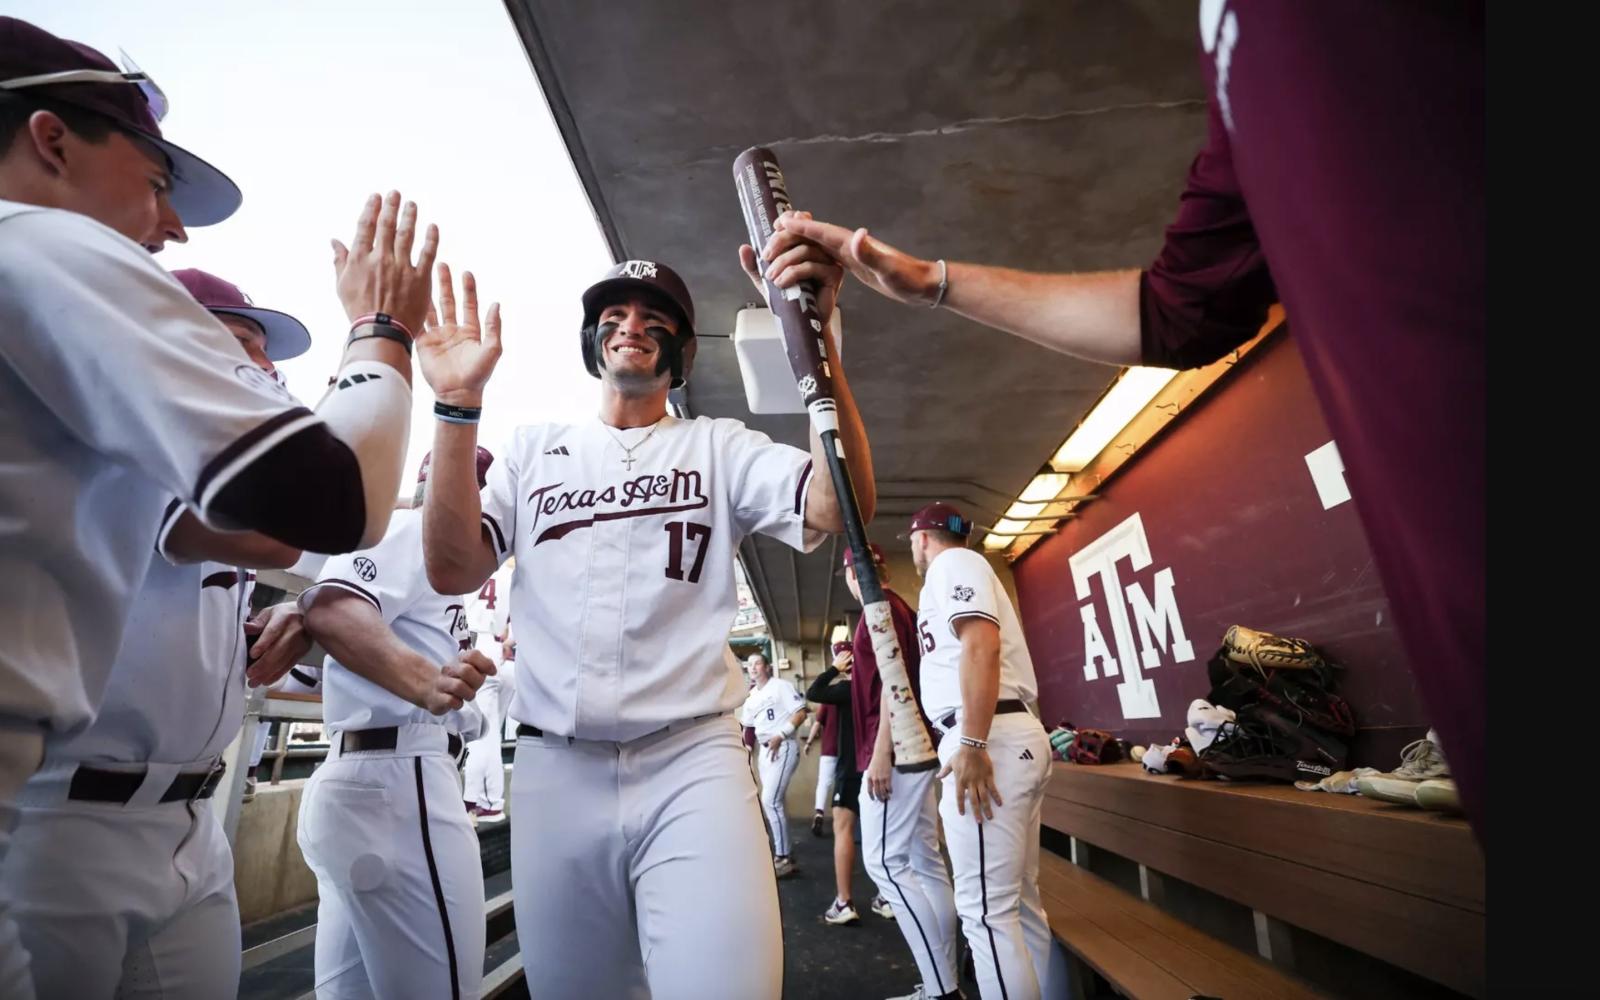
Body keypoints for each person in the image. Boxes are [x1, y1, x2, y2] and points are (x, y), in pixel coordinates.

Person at [760, 3, 1485, 835]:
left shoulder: (955, 573)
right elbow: (1182, 307)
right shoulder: (1232, 40)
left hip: (991, 739)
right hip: (1455, 584)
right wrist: (926, 282)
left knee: (991, 915)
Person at [0, 22, 452, 988]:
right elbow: (331, 501)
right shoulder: (36, 239)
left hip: (171, 820)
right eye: (157, 180)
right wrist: (381, 330)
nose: (171, 227)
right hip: (54, 820)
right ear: (50, 141)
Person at [417, 245, 874, 998]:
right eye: (615, 315)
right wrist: (457, 406)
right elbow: (451, 568)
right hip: (556, 768)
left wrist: (823, 360)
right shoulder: (534, 450)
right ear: (593, 340)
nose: (631, 325)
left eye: (654, 318)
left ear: (682, 352)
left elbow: (834, 505)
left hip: (690, 759)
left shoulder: (718, 445)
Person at [0, 268, 319, 997]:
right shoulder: (124, 437)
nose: (266, 369)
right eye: (242, 344)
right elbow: (284, 534)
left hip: (191, 822)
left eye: (266, 353)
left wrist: (294, 611)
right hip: (71, 821)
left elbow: (307, 557)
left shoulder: (215, 461)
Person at [295, 449, 499, 999]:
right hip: (400, 780)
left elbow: (308, 669)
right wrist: (425, 682)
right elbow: (332, 608)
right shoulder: (415, 531)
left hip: (361, 776)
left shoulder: (434, 570)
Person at [906, 503, 1060, 999]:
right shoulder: (956, 569)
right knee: (1019, 906)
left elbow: (981, 645)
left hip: (988, 737)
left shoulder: (953, 562)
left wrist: (971, 741)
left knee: (986, 913)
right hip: (1005, 733)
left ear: (923, 537)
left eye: (913, 540)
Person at [848, 543, 960, 999]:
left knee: (885, 865)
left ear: (857, 575)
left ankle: (942, 989)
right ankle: (943, 981)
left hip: (897, 749)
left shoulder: (882, 609)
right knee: (925, 863)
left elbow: (899, 684)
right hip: (913, 747)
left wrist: (881, 753)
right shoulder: (898, 606)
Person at [805, 643, 861, 925]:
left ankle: (844, 901)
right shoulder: (879, 687)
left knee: (843, 829)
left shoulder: (847, 689)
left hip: (851, 767)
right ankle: (889, 897)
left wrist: (834, 669)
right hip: (883, 765)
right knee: (885, 840)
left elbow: (813, 692)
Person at [741, 652, 810, 878]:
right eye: (750, 664)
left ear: (767, 667)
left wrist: (781, 733)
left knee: (770, 800)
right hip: (764, 750)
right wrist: (747, 751)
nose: (753, 667)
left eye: (757, 663)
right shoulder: (751, 696)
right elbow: (748, 728)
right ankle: (785, 854)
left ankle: (783, 857)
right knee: (773, 802)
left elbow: (800, 713)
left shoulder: (781, 686)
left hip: (783, 745)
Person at [802, 697, 839, 838]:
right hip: (848, 750)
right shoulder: (852, 697)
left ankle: (819, 813)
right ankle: (842, 818)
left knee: (823, 783)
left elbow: (817, 723)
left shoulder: (828, 701)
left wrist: (809, 743)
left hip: (828, 749)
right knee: (842, 784)